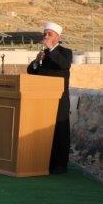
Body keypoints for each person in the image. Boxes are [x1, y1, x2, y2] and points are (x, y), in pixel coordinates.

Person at [26, 21, 73, 175]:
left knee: (59, 131)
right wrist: (37, 61)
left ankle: (59, 165)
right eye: (44, 34)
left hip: (59, 100)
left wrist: (51, 49)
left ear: (57, 37)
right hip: (42, 100)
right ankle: (41, 162)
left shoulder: (65, 52)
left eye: (49, 34)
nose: (45, 36)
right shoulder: (44, 55)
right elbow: (31, 72)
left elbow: (63, 65)